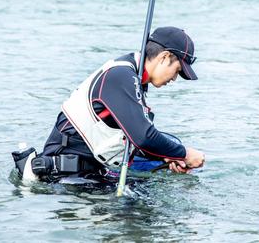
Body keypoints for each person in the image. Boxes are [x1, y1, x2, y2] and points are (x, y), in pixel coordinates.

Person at [15, 26, 205, 183]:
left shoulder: (135, 78)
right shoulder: (121, 76)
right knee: (144, 213)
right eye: (177, 70)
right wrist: (184, 154)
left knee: (169, 150)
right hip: (65, 176)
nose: (174, 79)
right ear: (164, 57)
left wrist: (167, 156)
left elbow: (135, 140)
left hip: (93, 168)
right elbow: (143, 137)